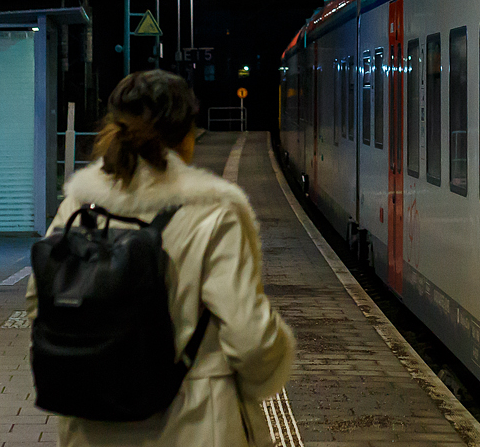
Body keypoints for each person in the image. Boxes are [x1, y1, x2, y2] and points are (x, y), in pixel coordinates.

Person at [26, 71, 296, 446]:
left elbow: (38, 302)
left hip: (91, 426)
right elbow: (251, 340)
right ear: (187, 137)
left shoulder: (79, 206)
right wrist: (274, 358)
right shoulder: (215, 213)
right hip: (197, 425)